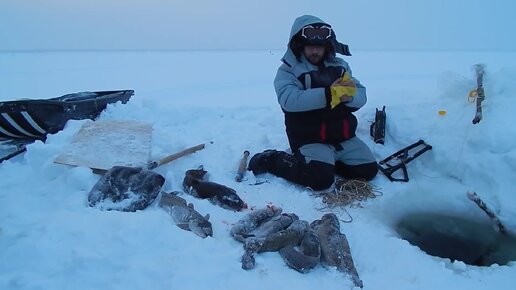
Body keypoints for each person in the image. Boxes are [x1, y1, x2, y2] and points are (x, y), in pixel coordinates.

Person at [248, 15, 378, 190]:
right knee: (320, 180)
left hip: (343, 137)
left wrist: (350, 97)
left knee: (368, 171)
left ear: (327, 47)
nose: (315, 51)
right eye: (310, 47)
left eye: (319, 47)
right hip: (310, 138)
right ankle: (272, 159)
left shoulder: (341, 66)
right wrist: (328, 94)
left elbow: (361, 94)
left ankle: (327, 162)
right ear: (300, 46)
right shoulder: (288, 70)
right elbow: (288, 100)